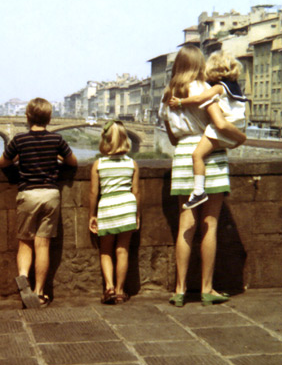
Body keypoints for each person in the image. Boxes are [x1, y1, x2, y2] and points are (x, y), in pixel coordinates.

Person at [158, 44, 246, 307]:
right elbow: (220, 122)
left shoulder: (166, 97)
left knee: (186, 226)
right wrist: (241, 138)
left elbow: (173, 138)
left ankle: (180, 289)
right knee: (210, 225)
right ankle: (207, 289)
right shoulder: (203, 89)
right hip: (210, 152)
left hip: (184, 155)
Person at [0, 97, 78, 308]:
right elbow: (72, 162)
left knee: (25, 241)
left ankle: (24, 276)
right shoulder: (57, 139)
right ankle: (40, 292)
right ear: (50, 118)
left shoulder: (20, 140)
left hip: (28, 194)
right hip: (50, 194)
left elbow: (3, 162)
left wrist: (20, 160)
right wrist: (56, 158)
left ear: (27, 117)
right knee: (43, 244)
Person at [168, 50, 249, 209]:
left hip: (223, 126)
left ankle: (198, 191)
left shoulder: (218, 88)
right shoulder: (235, 87)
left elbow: (200, 99)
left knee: (197, 154)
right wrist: (240, 138)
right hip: (237, 125)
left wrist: (180, 103)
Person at [88, 120, 140, 305]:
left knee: (106, 251)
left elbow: (94, 192)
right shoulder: (132, 164)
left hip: (107, 207)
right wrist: (137, 215)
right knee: (122, 250)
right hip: (127, 207)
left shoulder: (99, 164)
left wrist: (92, 215)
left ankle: (108, 287)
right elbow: (136, 192)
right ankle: (120, 291)